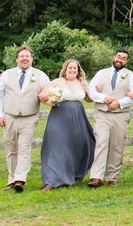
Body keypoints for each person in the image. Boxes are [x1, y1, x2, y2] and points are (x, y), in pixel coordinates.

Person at [0, 45, 50, 193]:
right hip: (9, 117)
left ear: (31, 59)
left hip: (29, 118)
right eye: (22, 56)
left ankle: (20, 180)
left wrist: (48, 97)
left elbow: (49, 92)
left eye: (27, 56)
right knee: (11, 149)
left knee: (24, 148)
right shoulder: (7, 74)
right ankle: (11, 180)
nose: (25, 58)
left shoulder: (41, 75)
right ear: (17, 59)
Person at [38, 60, 95, 191]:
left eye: (75, 68)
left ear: (78, 70)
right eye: (70, 68)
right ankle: (51, 181)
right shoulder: (57, 82)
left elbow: (89, 99)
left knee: (80, 145)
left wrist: (92, 91)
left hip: (78, 118)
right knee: (57, 147)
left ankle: (73, 174)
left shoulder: (82, 83)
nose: (73, 70)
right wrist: (50, 101)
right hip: (59, 116)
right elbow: (42, 96)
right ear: (65, 69)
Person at [87, 49, 133, 188]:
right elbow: (91, 91)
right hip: (102, 114)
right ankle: (96, 177)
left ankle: (112, 177)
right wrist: (104, 98)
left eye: (123, 58)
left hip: (120, 115)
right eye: (118, 56)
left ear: (126, 61)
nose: (120, 59)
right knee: (101, 142)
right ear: (114, 57)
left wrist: (119, 103)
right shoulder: (101, 73)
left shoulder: (131, 75)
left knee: (117, 146)